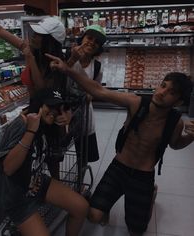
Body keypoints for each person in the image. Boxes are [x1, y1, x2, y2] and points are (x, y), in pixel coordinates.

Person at [45, 54, 194, 236]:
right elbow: (99, 91)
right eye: (163, 85)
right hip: (119, 168)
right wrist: (68, 70)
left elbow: (175, 144)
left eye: (171, 92)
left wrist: (191, 138)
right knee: (93, 216)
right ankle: (105, 206)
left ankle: (151, 193)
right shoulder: (136, 102)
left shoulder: (175, 122)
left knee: (136, 230)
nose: (161, 93)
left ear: (178, 102)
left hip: (143, 176)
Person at [0, 0, 72, 179]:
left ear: (49, 41)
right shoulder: (31, 50)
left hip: (50, 121)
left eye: (38, 35)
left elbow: (42, 91)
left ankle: (52, 196)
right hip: (33, 117)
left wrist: (30, 59)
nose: (33, 36)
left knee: (51, 164)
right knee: (30, 163)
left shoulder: (57, 64)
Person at [0, 88, 89, 236]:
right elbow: (8, 168)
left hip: (36, 182)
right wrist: (31, 131)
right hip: (17, 196)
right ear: (39, 104)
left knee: (81, 207)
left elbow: (59, 150)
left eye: (57, 108)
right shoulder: (22, 124)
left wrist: (66, 120)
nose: (54, 111)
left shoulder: (47, 124)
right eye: (50, 106)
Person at [66, 24, 106, 170]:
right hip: (64, 111)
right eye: (89, 37)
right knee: (58, 148)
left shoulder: (97, 67)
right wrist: (72, 59)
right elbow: (59, 80)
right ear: (82, 38)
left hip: (83, 113)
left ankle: (80, 177)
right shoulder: (68, 56)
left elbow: (96, 88)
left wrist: (90, 94)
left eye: (97, 42)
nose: (92, 42)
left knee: (83, 150)